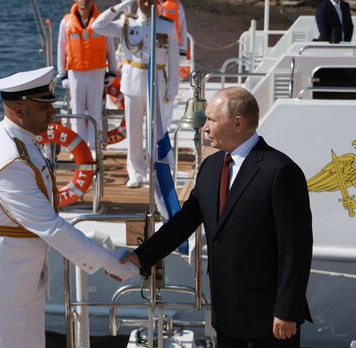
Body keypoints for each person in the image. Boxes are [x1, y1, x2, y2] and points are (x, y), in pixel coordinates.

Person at [0, 66, 138, 348]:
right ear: (19, 109)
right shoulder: (10, 159)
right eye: (44, 108)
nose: (52, 113)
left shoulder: (21, 141)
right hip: (0, 285)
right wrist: (108, 261)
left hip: (17, 279)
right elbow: (50, 226)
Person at [121, 87, 313, 347]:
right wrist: (140, 256)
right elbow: (183, 222)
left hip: (270, 320)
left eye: (212, 119)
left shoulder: (280, 171)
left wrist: (287, 310)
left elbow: (296, 249)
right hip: (226, 316)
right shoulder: (211, 168)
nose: (205, 127)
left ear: (237, 123)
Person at [93, 0, 180, 188]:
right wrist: (123, 4)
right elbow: (97, 26)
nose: (147, 2)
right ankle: (136, 172)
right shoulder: (126, 22)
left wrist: (172, 88)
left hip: (157, 81)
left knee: (155, 129)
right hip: (132, 81)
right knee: (133, 130)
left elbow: (174, 59)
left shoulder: (167, 25)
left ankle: (156, 169)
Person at [57, 0, 119, 156]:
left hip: (96, 72)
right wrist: (63, 74)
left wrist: (112, 71)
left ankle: (93, 148)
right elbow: (61, 49)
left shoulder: (102, 22)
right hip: (75, 73)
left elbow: (110, 48)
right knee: (76, 111)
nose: (83, 3)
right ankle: (79, 148)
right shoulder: (66, 22)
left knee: (95, 111)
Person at [158, 0, 187, 128]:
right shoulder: (147, 3)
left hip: (173, 50)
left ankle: (166, 122)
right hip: (154, 52)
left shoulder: (176, 5)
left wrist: (183, 50)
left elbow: (182, 28)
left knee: (169, 87)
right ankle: (153, 119)